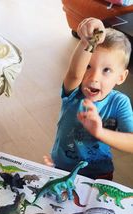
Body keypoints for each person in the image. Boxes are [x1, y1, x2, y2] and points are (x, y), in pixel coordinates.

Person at [44, 17, 133, 180]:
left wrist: (99, 132)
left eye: (106, 70)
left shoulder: (120, 103)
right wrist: (90, 40)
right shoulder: (74, 93)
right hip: (61, 168)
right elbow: (74, 74)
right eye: (88, 67)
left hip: (98, 174)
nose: (94, 78)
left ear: (121, 77)